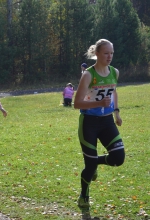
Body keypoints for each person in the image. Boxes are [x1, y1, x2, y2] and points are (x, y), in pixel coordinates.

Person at [74, 39, 125, 213]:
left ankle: (94, 161)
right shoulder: (88, 74)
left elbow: (113, 91)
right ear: (97, 53)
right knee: (89, 168)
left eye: (112, 53)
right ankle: (83, 196)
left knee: (118, 158)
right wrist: (97, 104)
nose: (109, 56)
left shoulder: (114, 72)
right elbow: (77, 104)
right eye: (106, 53)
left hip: (107, 121)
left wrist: (116, 111)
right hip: (89, 123)